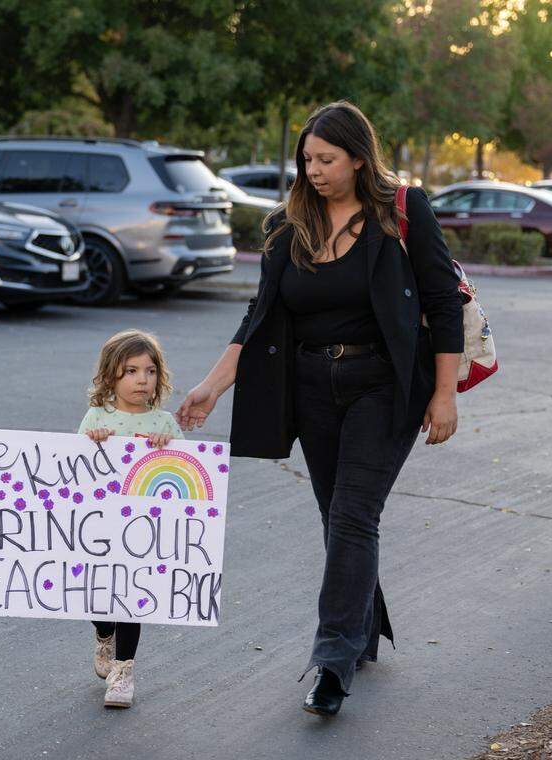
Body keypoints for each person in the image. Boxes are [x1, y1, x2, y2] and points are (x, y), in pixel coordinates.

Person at [177, 101, 463, 716]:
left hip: (382, 385)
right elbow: (259, 315)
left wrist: (444, 393)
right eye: (307, 159)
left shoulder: (403, 213)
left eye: (327, 160)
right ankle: (362, 630)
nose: (314, 171)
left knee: (355, 514)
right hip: (308, 386)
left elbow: (443, 304)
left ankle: (332, 662)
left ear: (360, 158)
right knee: (338, 517)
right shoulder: (287, 224)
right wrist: (212, 385)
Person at [78, 329, 183, 708]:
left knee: (131, 599)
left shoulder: (165, 424)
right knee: (98, 600)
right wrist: (93, 440)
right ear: (110, 377)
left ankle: (124, 670)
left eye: (150, 371)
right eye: (131, 371)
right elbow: (71, 469)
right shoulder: (96, 417)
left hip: (142, 533)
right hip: (101, 529)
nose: (143, 380)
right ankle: (104, 635)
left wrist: (168, 450)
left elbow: (188, 479)